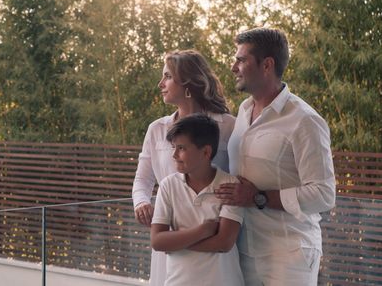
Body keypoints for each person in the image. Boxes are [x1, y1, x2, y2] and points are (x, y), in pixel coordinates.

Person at [215, 28, 336, 285]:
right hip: (244, 249)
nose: (233, 67)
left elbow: (324, 194)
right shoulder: (244, 110)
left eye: (241, 60)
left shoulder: (305, 120)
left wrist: (258, 197)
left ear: (267, 65)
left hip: (289, 253)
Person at [132, 49, 235, 286]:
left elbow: (239, 177)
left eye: (167, 76)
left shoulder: (228, 126)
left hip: (215, 235)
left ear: (188, 83)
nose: (161, 83)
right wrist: (142, 202)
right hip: (168, 230)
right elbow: (142, 180)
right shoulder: (157, 129)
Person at [150, 113, 244, 286]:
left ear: (206, 152)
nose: (174, 155)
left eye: (181, 148)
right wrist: (202, 231)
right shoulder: (168, 186)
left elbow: (223, 243)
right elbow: (157, 242)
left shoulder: (230, 186)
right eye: (173, 148)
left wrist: (175, 242)